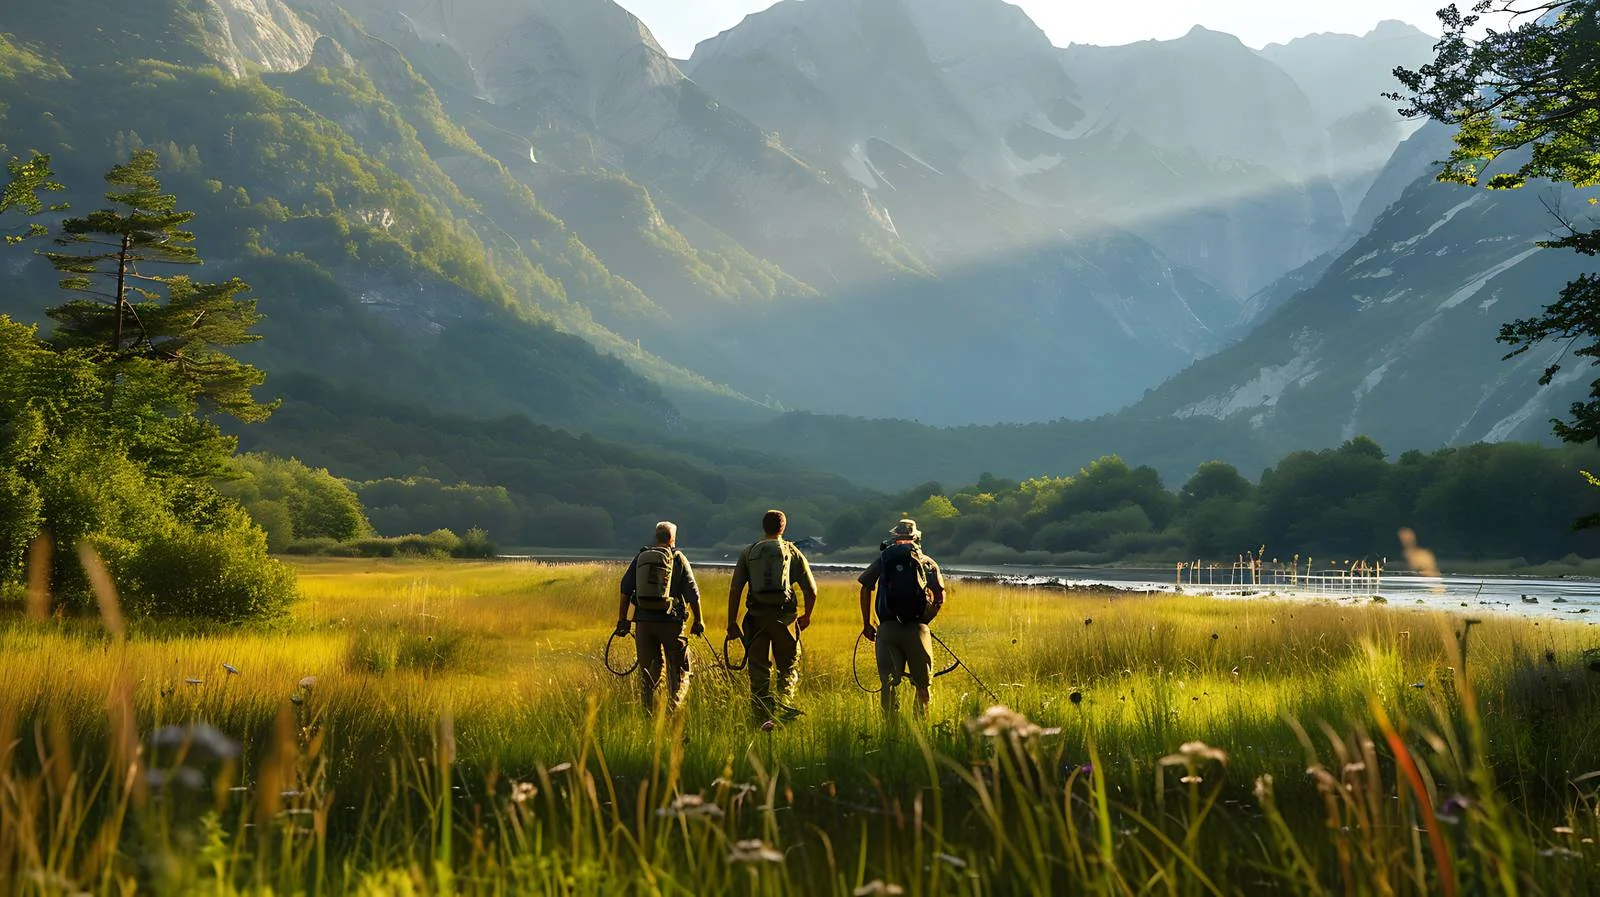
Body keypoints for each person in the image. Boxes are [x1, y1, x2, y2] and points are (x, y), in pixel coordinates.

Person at [726, 509, 818, 720]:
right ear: (783, 527)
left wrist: (732, 622)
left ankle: (762, 716)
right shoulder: (791, 551)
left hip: (756, 620)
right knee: (787, 668)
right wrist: (807, 615)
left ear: (763, 527)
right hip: (785, 620)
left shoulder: (749, 552)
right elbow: (811, 590)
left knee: (759, 671)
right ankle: (785, 708)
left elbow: (735, 590)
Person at [859, 518, 946, 717]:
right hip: (917, 629)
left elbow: (865, 586)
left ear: (894, 537)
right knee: (922, 685)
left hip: (887, 629)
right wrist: (925, 620)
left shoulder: (884, 559)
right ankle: (920, 729)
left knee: (889, 684)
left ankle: (890, 731)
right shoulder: (926, 562)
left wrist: (867, 623)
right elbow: (939, 597)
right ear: (916, 537)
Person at [617, 521, 704, 714]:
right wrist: (699, 620)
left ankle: (650, 714)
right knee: (680, 670)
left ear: (656, 537)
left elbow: (625, 589)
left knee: (649, 671)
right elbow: (693, 594)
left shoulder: (641, 557)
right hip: (671, 624)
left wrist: (623, 621)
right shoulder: (677, 558)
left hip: (643, 624)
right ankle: (673, 711)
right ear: (673, 539)